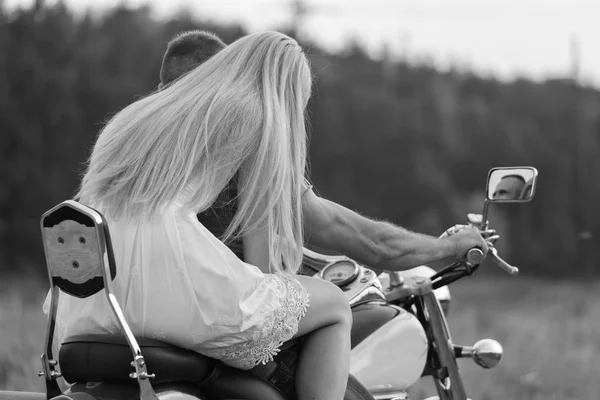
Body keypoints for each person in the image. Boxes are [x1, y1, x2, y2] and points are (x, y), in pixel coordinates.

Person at [148, 30, 489, 400]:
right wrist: (450, 247)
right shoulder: (244, 142)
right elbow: (365, 240)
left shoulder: (142, 141)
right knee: (335, 312)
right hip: (220, 325)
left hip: (142, 317)